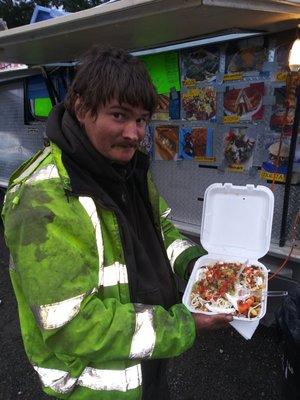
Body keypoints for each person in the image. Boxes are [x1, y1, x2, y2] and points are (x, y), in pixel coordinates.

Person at [2, 46, 232, 400]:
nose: (133, 133)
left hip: (147, 364)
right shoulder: (43, 199)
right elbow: (73, 326)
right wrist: (183, 325)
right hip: (96, 387)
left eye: (141, 120)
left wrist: (200, 267)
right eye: (119, 115)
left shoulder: (128, 168)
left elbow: (162, 232)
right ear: (82, 109)